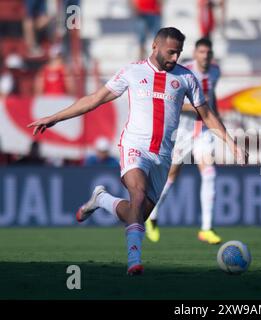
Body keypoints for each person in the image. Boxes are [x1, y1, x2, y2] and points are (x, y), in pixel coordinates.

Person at [28, 27, 245, 276]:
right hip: (135, 147)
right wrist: (56, 117)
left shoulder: (187, 78)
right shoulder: (133, 71)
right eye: (171, 52)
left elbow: (207, 115)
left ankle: (101, 199)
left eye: (179, 53)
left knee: (137, 214)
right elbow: (94, 99)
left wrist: (231, 143)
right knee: (138, 195)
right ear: (155, 46)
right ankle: (134, 261)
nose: (175, 58)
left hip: (163, 155)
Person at [145, 37, 222, 245]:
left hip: (204, 130)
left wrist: (216, 118)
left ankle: (206, 228)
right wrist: (201, 107)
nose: (205, 56)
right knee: (171, 175)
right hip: (183, 131)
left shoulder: (215, 71)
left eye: (208, 52)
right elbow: (174, 101)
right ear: (195, 54)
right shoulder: (183, 72)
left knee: (209, 173)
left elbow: (212, 97)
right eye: (201, 52)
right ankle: (151, 215)